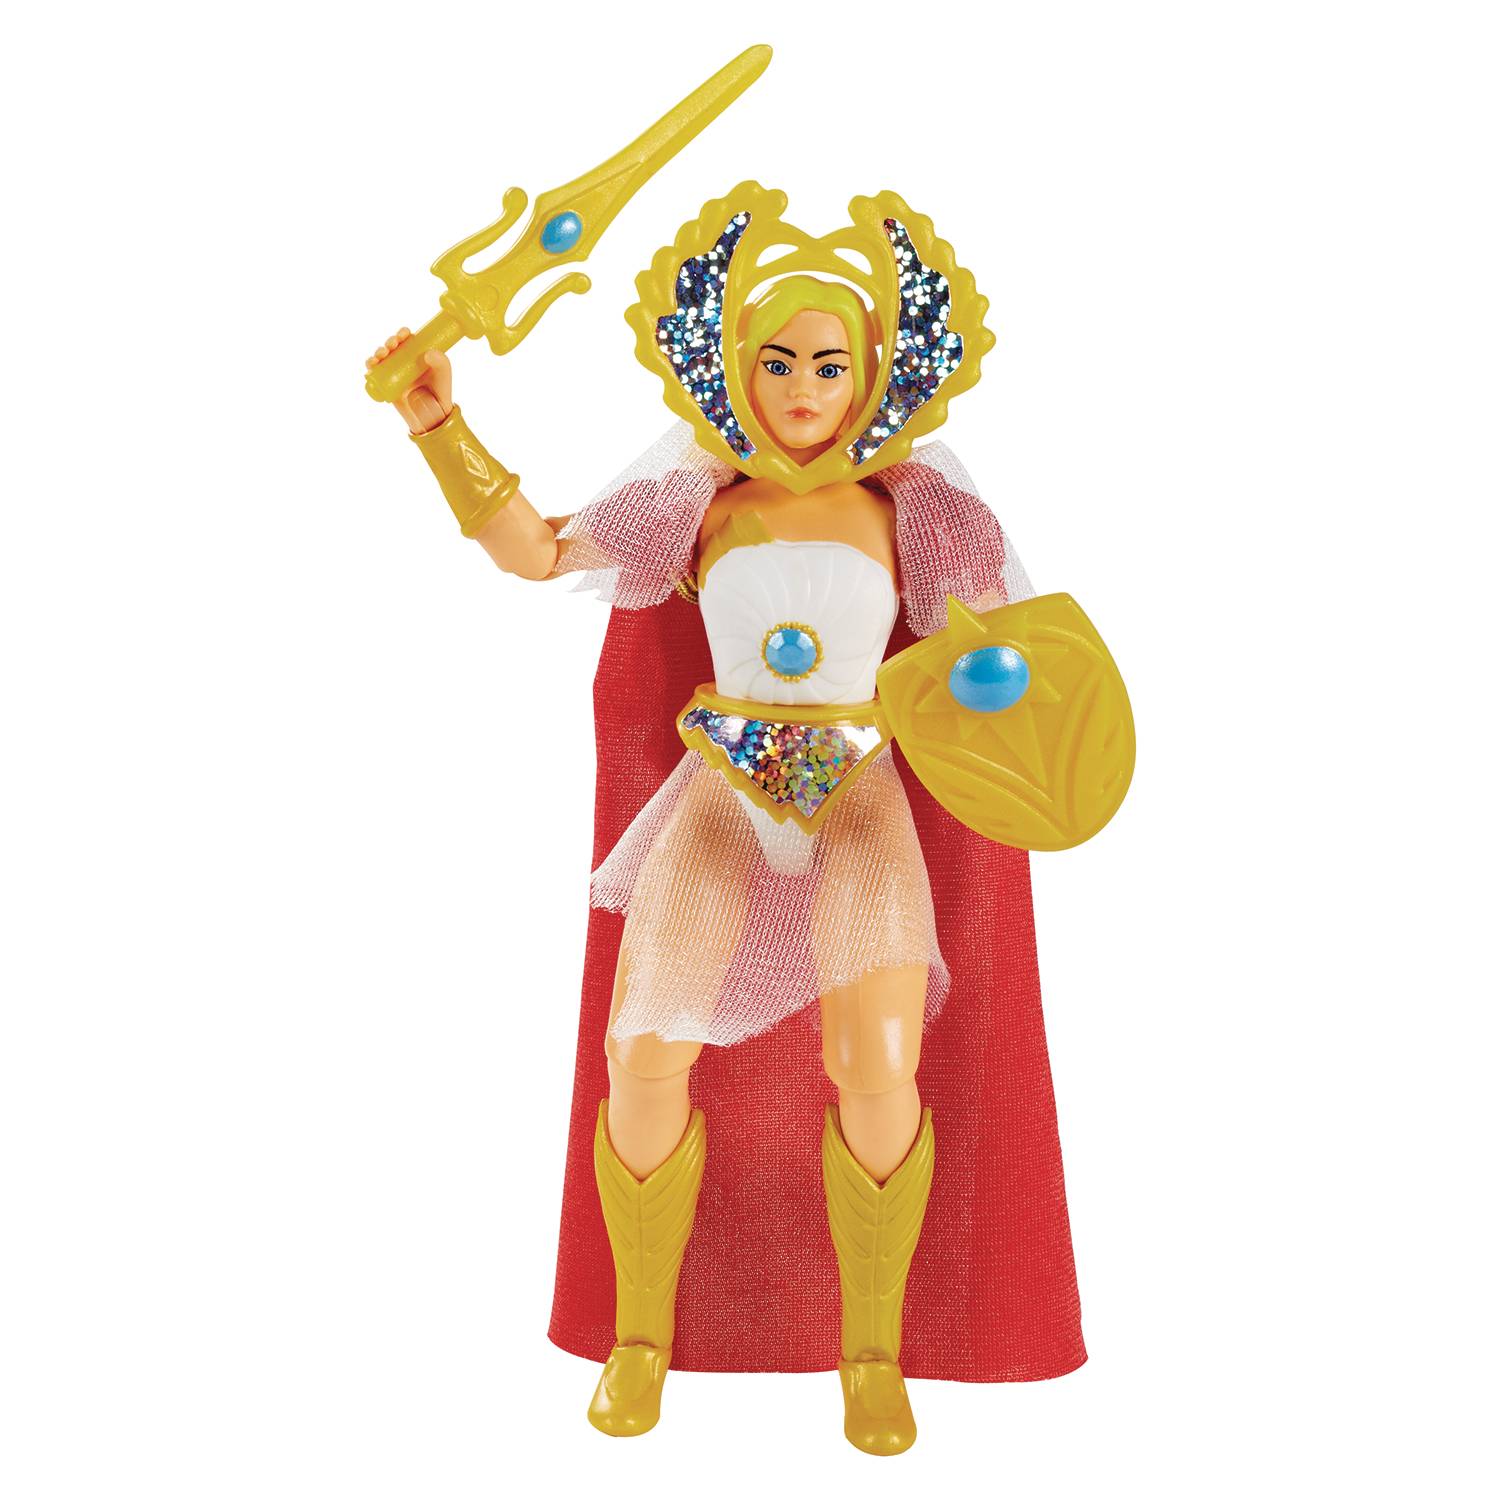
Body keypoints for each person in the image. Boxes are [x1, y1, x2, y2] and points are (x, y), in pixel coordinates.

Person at [367, 187, 1094, 1456]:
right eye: (780, 361)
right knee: (645, 1048)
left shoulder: (917, 510)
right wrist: (440, 427)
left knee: (879, 1062)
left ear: (872, 375)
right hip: (719, 794)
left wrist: (999, 686)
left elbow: (997, 659)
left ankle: (873, 1352)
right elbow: (539, 552)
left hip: (858, 796)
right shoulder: (694, 503)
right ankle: (641, 1334)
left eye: (828, 364)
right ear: (736, 368)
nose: (804, 387)